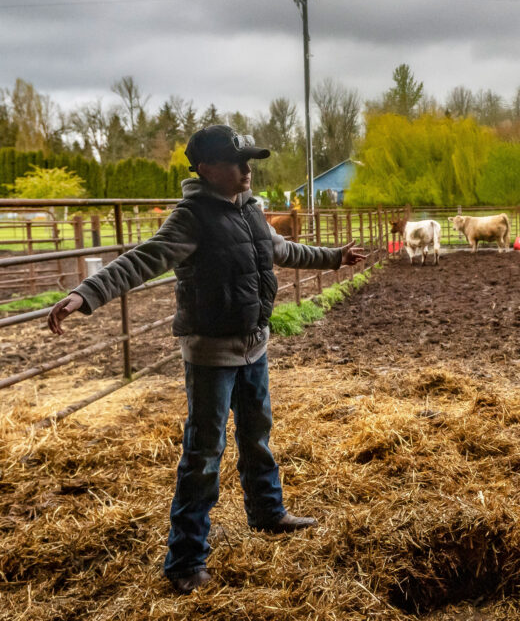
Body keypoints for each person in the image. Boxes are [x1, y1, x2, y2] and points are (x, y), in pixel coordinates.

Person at [46, 125, 367, 595]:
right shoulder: (191, 217)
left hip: (254, 344)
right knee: (204, 453)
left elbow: (282, 251)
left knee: (257, 433)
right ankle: (185, 560)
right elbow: (143, 259)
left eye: (249, 161)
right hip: (211, 352)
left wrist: (334, 258)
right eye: (238, 162)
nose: (247, 169)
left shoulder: (254, 210)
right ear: (208, 169)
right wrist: (86, 294)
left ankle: (267, 513)